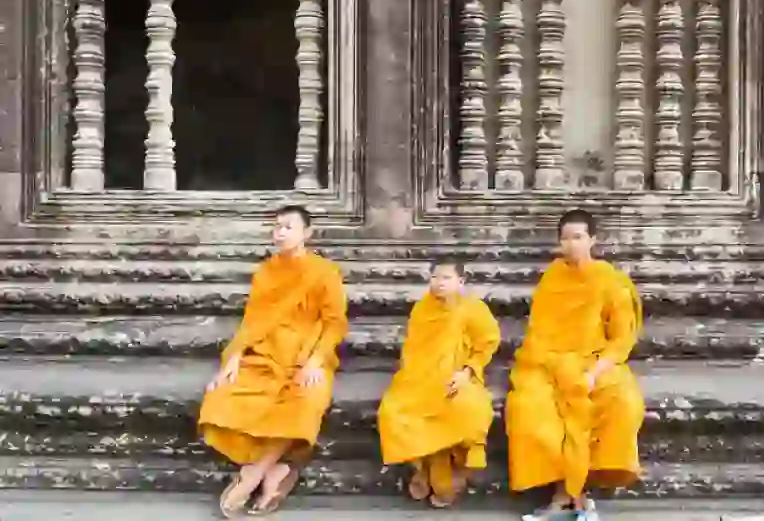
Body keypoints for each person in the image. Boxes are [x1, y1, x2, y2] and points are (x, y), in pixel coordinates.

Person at [198, 204, 349, 517]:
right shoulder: (266, 272)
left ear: (307, 233)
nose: (280, 233)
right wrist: (234, 357)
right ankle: (276, 472)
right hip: (266, 353)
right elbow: (252, 320)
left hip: (307, 353)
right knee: (220, 397)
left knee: (305, 401)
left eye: (288, 227)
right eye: (277, 226)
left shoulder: (325, 272)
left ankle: (252, 473)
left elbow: (335, 322)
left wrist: (316, 361)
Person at [505, 209, 645, 521]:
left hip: (597, 362)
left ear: (592, 240)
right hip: (545, 362)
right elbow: (538, 331)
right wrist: (552, 367)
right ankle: (570, 497)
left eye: (578, 237)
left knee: (624, 401)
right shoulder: (552, 278)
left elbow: (621, 339)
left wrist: (593, 373)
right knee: (528, 408)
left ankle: (574, 495)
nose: (570, 245)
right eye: (565, 238)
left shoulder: (611, 280)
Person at [377, 259, 501, 508]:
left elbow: (487, 343)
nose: (439, 283)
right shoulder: (422, 309)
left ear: (460, 282)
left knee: (468, 410)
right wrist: (415, 377)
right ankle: (427, 468)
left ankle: (452, 473)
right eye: (434, 277)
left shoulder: (473, 308)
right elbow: (412, 350)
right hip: (418, 377)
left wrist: (467, 372)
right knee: (391, 412)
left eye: (446, 278)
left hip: (458, 377)